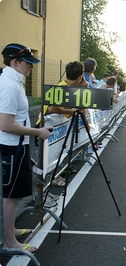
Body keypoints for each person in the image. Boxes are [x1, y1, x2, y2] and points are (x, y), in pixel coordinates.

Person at [0, 43, 53, 253]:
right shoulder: (10, 86)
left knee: (14, 193)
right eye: (28, 63)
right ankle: (10, 242)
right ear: (15, 62)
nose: (31, 68)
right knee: (11, 195)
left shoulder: (13, 81)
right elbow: (5, 124)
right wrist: (38, 132)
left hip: (16, 146)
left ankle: (10, 231)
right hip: (12, 148)